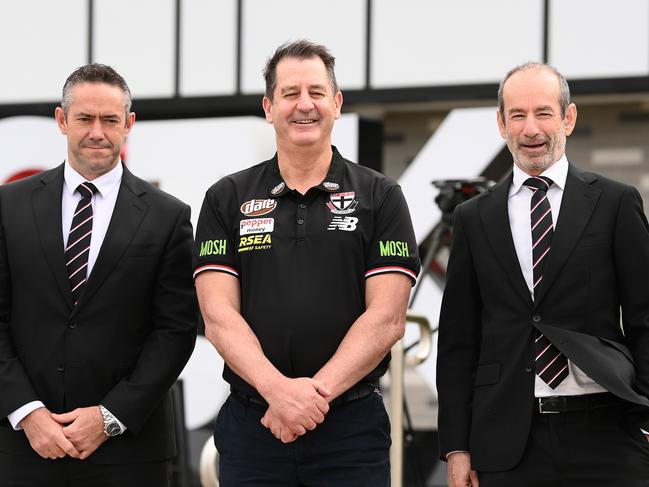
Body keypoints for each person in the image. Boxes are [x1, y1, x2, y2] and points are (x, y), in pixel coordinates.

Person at [194, 40, 420, 486]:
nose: (304, 105)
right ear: (268, 107)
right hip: (254, 425)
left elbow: (388, 317)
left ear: (336, 104)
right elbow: (218, 317)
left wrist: (309, 400)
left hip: (350, 430)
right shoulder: (226, 198)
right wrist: (279, 393)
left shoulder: (381, 196)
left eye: (316, 92)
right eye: (290, 93)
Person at [436, 62, 649, 487]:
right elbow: (459, 343)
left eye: (544, 113)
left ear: (568, 118)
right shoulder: (473, 218)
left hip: (608, 434)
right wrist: (457, 447)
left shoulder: (615, 203)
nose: (531, 128)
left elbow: (646, 317)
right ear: (502, 124)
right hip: (507, 445)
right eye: (518, 115)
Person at [0, 64, 197, 486]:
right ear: (62, 120)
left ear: (128, 125)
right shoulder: (8, 206)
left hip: (129, 452)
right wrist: (27, 413)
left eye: (110, 120)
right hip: (22, 447)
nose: (97, 132)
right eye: (85, 118)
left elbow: (175, 331)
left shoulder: (168, 217)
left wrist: (109, 417)